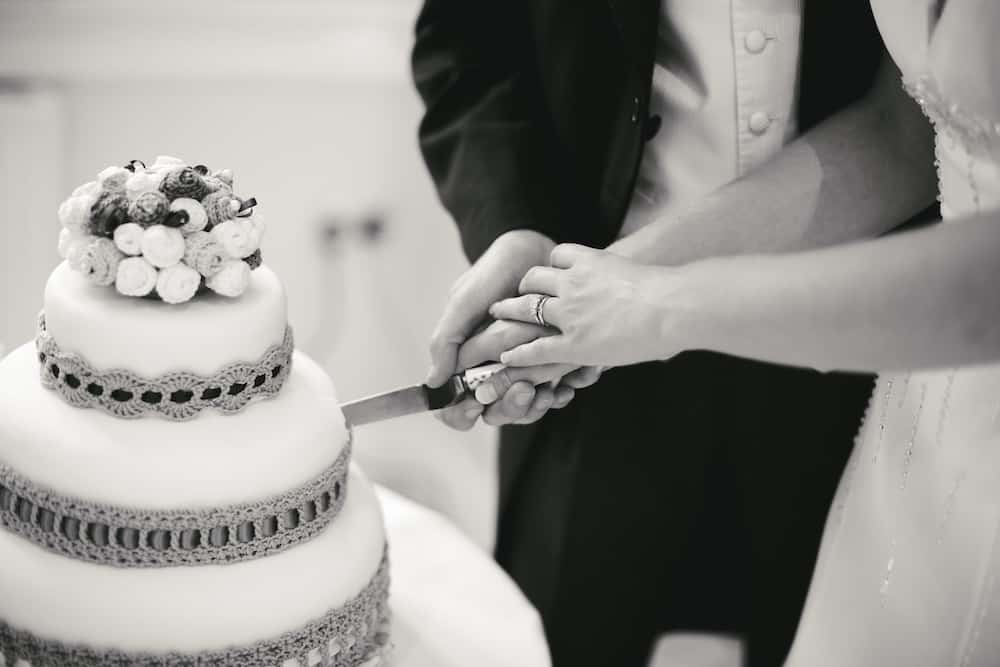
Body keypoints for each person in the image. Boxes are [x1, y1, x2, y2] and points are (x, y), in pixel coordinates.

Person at [411, 1, 935, 665]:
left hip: (858, 342)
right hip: (592, 358)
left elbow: (905, 130)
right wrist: (522, 232)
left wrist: (608, 287)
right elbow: (467, 36)